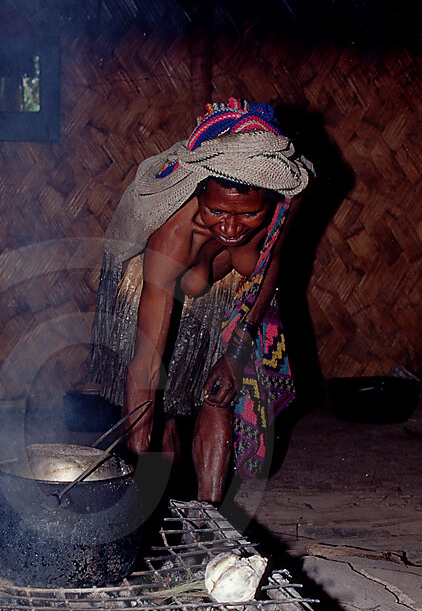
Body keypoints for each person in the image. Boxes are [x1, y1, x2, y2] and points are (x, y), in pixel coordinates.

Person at [88, 98, 314, 502]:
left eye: (248, 215)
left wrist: (235, 352)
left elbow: (270, 262)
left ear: (270, 201)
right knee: (166, 401)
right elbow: (145, 369)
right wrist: (135, 473)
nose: (230, 227)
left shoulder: (286, 202)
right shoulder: (170, 240)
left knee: (219, 389)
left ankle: (210, 516)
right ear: (199, 193)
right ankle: (151, 494)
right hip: (153, 280)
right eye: (216, 211)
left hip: (226, 286)